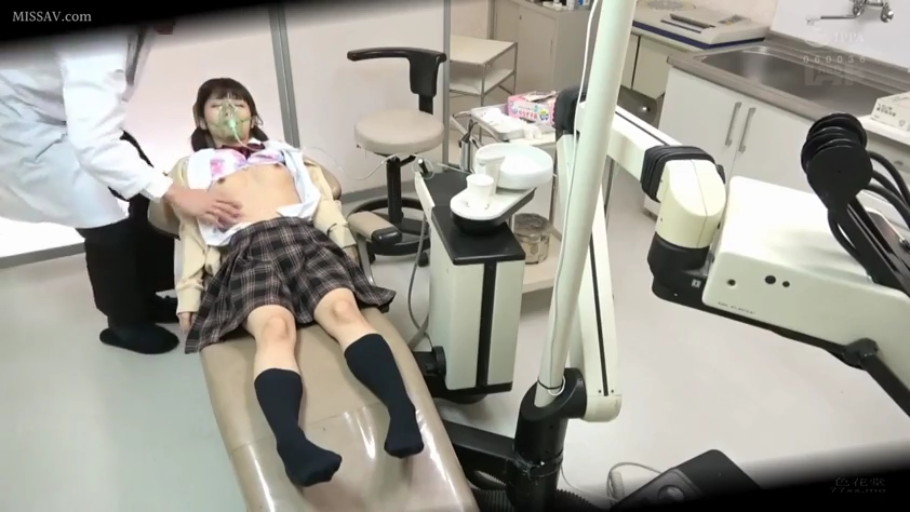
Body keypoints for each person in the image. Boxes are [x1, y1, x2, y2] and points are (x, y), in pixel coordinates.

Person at [169, 78, 424, 487]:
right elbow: (191, 231)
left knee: (344, 311)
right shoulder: (192, 167)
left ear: (254, 114)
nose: (230, 110)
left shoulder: (284, 153)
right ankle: (292, 444)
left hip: (302, 237)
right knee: (275, 330)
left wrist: (345, 244)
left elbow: (320, 201)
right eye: (218, 105)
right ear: (201, 119)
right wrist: (189, 294)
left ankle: (401, 411)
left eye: (239, 102)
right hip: (246, 247)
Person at [0, 24, 242, 355]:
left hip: (61, 116)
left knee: (146, 200)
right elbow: (94, 145)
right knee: (106, 225)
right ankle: (124, 323)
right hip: (18, 130)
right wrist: (177, 192)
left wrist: (164, 189)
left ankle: (144, 296)